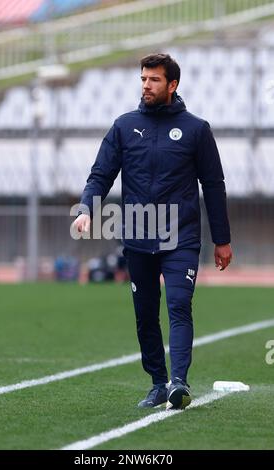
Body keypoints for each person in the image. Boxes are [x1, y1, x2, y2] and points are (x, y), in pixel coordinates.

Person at [74, 53, 232, 410]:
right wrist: (86, 208)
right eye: (143, 79)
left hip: (181, 238)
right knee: (146, 314)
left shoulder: (196, 129)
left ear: (172, 85)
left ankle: (179, 382)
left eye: (154, 80)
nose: (146, 85)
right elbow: (101, 174)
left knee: (179, 306)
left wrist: (222, 239)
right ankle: (158, 383)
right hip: (138, 237)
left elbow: (214, 185)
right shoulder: (124, 126)